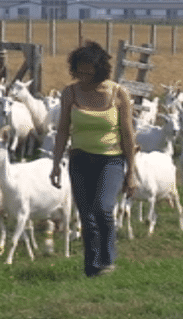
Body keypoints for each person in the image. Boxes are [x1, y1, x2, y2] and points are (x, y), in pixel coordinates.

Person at [50, 40, 136, 278]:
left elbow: (128, 135)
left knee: (103, 209)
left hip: (111, 160)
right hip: (79, 159)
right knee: (86, 216)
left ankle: (107, 260)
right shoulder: (70, 93)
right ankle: (92, 266)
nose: (83, 75)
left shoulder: (118, 93)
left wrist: (131, 172)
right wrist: (56, 164)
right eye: (79, 70)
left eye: (88, 70)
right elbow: (63, 130)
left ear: (99, 69)